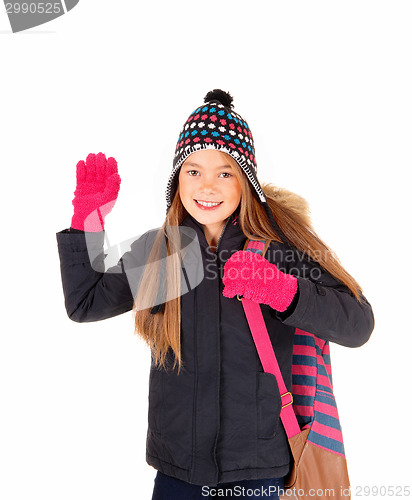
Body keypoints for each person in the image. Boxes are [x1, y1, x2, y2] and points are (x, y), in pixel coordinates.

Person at [56, 89, 375, 499]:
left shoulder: (279, 249)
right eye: (193, 171)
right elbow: (85, 303)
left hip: (257, 472)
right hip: (176, 472)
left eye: (224, 172)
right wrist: (87, 221)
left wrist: (280, 289)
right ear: (177, 179)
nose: (207, 185)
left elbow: (359, 322)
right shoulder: (161, 251)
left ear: (246, 179)